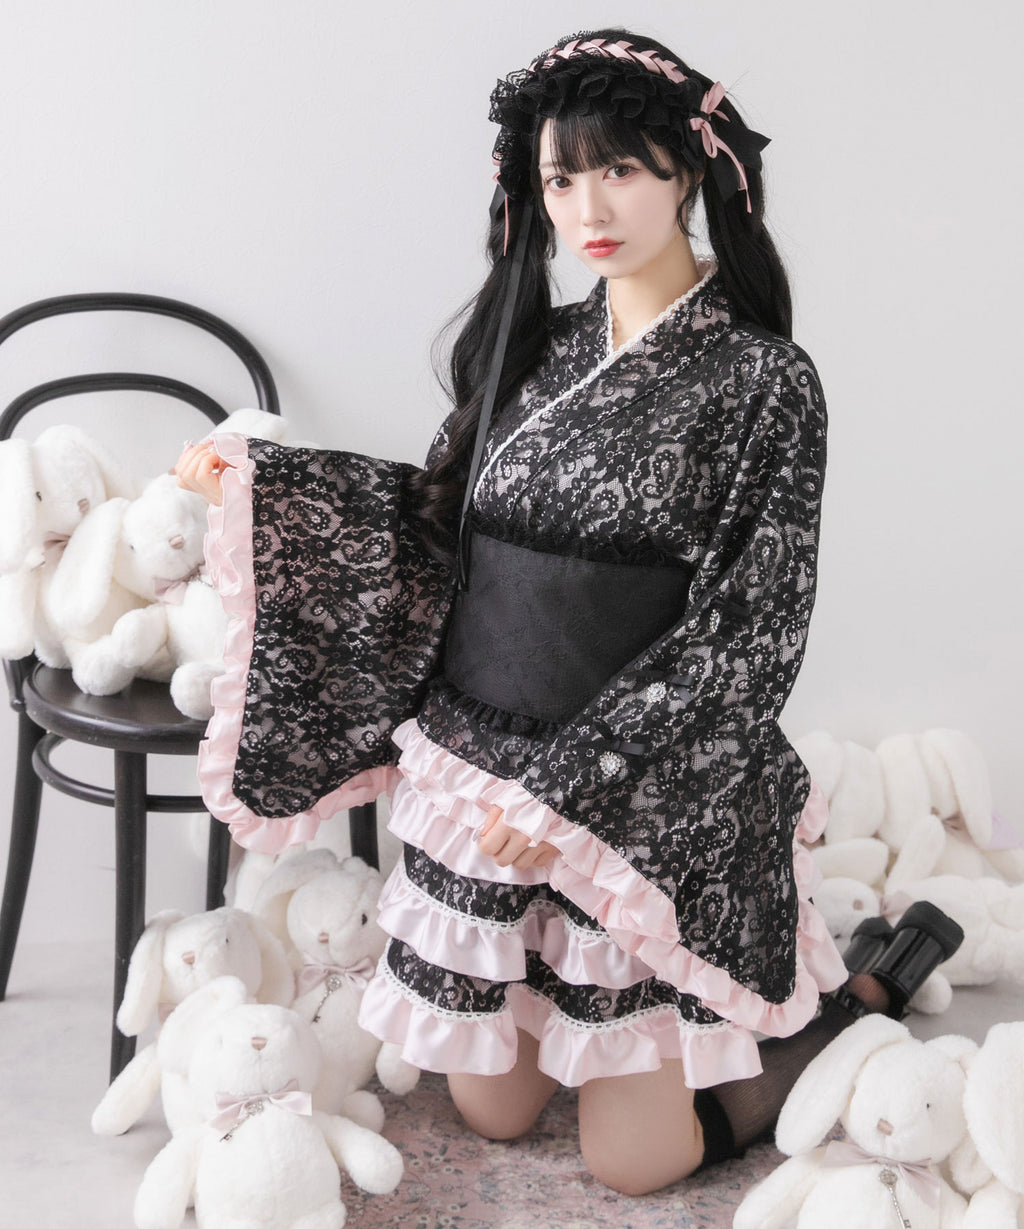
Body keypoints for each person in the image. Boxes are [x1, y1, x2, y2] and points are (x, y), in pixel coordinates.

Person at [177, 28, 964, 1196]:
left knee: (633, 1161)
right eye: (560, 178)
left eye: (620, 169)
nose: (587, 207)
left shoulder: (762, 381)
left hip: (638, 778)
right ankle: (582, 1009)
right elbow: (438, 523)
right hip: (485, 760)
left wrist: (577, 785)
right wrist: (269, 492)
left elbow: (748, 629)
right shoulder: (535, 347)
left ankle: (856, 996)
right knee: (490, 1110)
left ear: (687, 173)